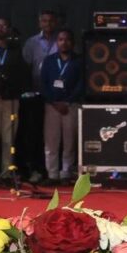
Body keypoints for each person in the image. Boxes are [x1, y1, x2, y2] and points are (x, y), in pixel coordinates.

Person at [0, 18, 28, 180]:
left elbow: (22, 74)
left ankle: (7, 174)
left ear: (9, 29)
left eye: (3, 26)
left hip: (11, 99)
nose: (0, 28)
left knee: (9, 139)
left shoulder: (16, 50)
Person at [20, 10, 61, 183]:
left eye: (51, 21)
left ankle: (55, 170)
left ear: (55, 23)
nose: (48, 24)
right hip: (36, 94)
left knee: (54, 136)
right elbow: (25, 67)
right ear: (39, 23)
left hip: (56, 94)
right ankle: (35, 169)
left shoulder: (61, 40)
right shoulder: (32, 42)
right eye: (44, 21)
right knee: (35, 133)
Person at [40, 28, 83, 184]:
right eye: (61, 40)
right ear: (56, 42)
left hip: (71, 105)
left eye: (67, 40)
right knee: (51, 141)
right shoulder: (49, 60)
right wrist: (54, 102)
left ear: (73, 42)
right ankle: (52, 174)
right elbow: (43, 83)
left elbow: (81, 84)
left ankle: (66, 173)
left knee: (69, 141)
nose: (64, 43)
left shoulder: (79, 61)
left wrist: (68, 101)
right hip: (52, 106)